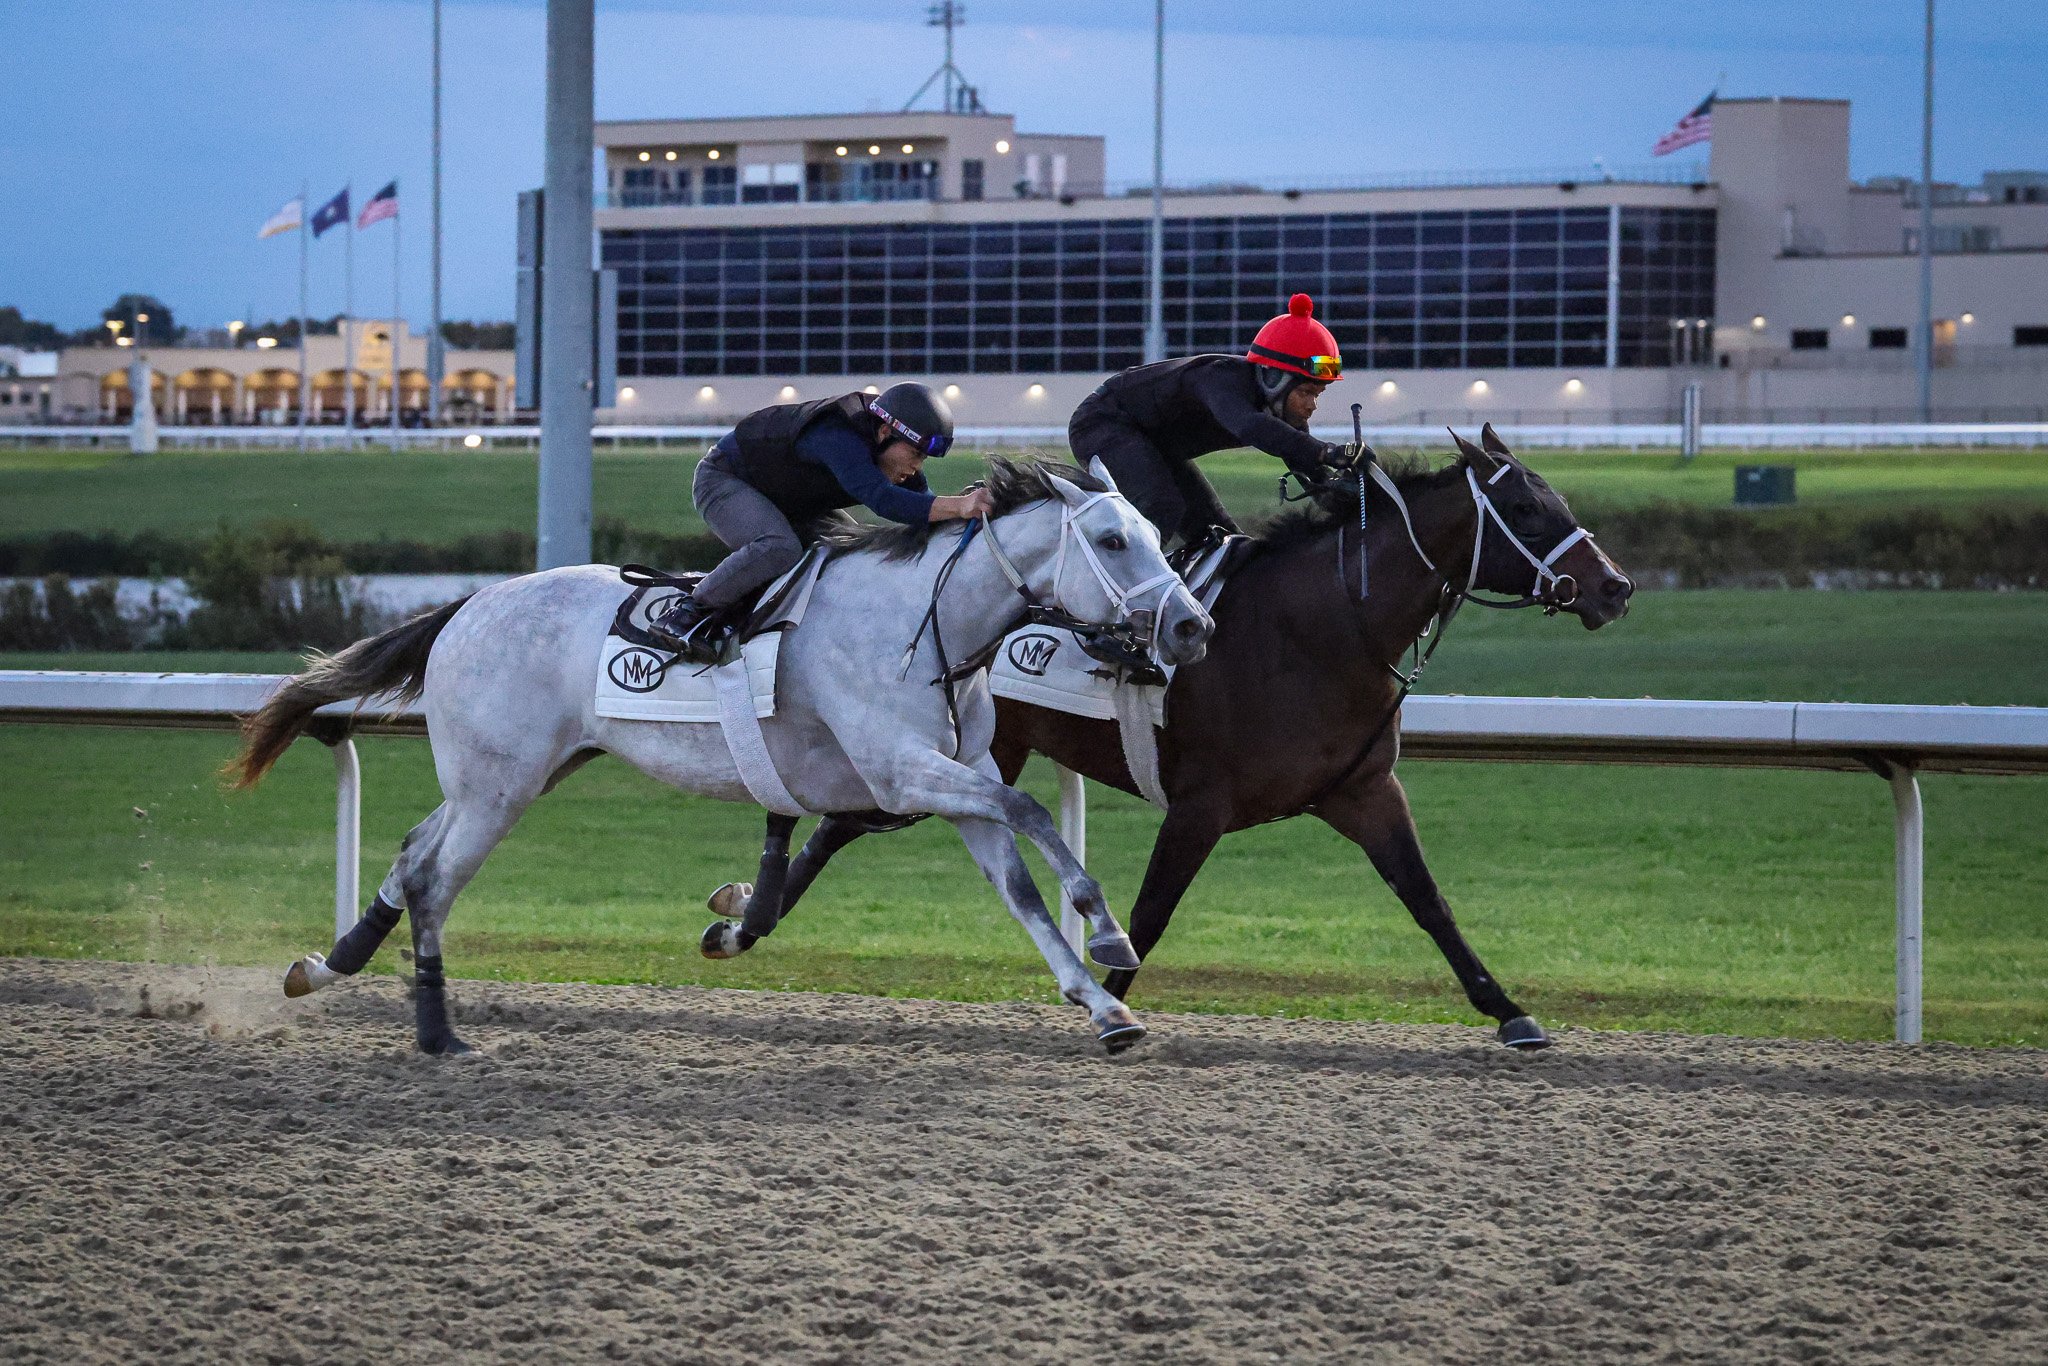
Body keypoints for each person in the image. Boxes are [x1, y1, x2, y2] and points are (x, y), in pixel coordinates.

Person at [647, 383, 994, 660]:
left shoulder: (887, 443)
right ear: (886, 432)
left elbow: (921, 508)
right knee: (779, 547)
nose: (917, 466)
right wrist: (959, 505)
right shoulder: (837, 435)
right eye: (916, 453)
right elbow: (883, 501)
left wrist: (968, 521)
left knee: (851, 550)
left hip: (788, 499)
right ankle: (686, 612)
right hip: (725, 480)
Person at [1067, 293, 1359, 547]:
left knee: (1220, 536)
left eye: (1318, 394)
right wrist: (1327, 451)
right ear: (1274, 379)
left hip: (1154, 443)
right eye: (1307, 392)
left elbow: (1316, 476)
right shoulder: (1221, 378)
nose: (1312, 405)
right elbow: (1251, 426)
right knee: (1162, 507)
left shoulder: (1284, 413)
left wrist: (1357, 491)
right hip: (1102, 422)